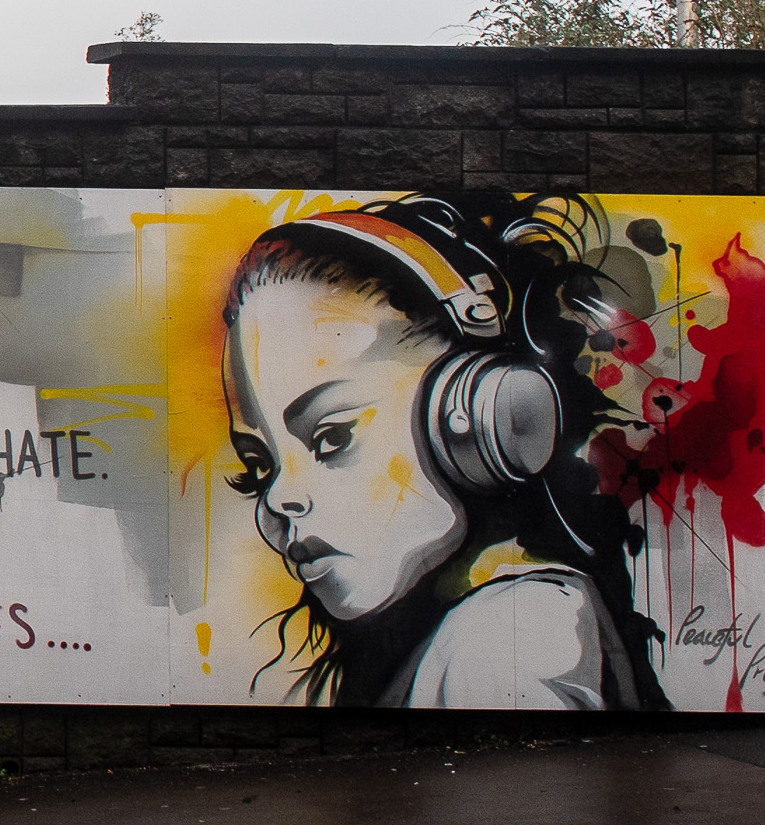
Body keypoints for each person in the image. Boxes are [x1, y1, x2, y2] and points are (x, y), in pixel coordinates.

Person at [220, 191, 664, 712]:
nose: (279, 501)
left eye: (332, 437)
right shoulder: (460, 632)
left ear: (477, 415)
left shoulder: (509, 634)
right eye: (260, 468)